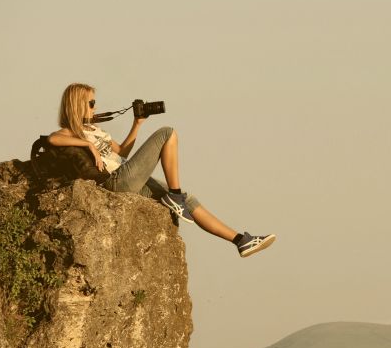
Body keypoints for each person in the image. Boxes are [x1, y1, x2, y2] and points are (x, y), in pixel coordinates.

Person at [47, 83, 275, 258]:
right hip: (115, 182)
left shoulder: (95, 130)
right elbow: (52, 139)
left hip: (126, 174)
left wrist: (137, 124)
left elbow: (123, 151)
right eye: (91, 103)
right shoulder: (71, 132)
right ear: (77, 105)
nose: (96, 107)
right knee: (168, 133)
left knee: (189, 200)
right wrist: (87, 145)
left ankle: (239, 241)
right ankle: (174, 195)